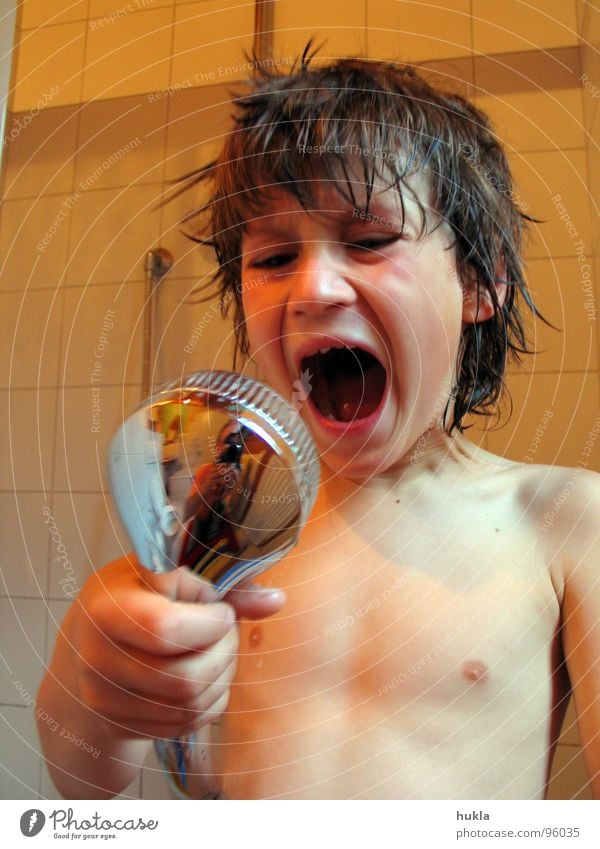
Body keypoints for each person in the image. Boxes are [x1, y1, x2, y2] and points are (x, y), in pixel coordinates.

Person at [37, 47, 600, 800]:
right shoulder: (221, 522)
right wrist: (95, 690)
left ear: (479, 279)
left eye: (369, 241)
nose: (314, 286)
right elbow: (84, 784)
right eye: (273, 257)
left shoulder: (562, 524)